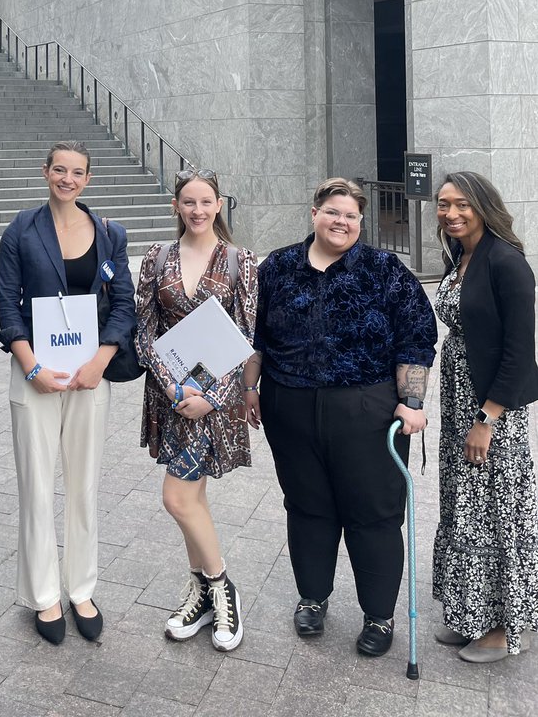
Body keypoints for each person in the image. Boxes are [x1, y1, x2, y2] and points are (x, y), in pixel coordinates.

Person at [244, 177, 437, 657]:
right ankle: (313, 597)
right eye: (333, 211)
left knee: (373, 512)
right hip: (289, 405)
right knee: (308, 506)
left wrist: (411, 404)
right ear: (314, 213)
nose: (342, 222)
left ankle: (379, 614)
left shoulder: (384, 270)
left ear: (360, 222)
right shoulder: (279, 267)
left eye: (351, 215)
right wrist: (250, 387)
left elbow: (416, 337)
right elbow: (256, 334)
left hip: (367, 410)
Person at [0, 140, 136, 644]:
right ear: (46, 171)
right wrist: (30, 366)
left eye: (77, 172)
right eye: (60, 170)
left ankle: (81, 588)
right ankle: (44, 594)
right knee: (36, 485)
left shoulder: (108, 233)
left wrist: (101, 360)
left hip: (88, 375)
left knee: (83, 486)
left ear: (88, 179)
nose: (67, 179)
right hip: (35, 373)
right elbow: (7, 304)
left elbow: (123, 304)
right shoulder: (21, 229)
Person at [135, 168, 256, 652]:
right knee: (193, 500)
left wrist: (207, 394)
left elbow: (246, 335)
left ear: (219, 204)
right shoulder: (156, 258)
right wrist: (172, 389)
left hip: (214, 400)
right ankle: (204, 592)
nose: (198, 210)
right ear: (176, 206)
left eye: (206, 201)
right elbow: (143, 330)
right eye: (189, 202)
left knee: (178, 499)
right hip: (172, 397)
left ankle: (223, 588)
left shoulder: (238, 261)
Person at [432, 171, 538, 662]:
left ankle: (502, 626)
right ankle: (471, 613)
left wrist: (487, 418)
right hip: (459, 403)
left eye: (462, 205)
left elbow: (520, 352)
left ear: (483, 205)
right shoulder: (462, 256)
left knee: (495, 515)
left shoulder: (506, 262)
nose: (451, 214)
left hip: (491, 409)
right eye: (443, 204)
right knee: (464, 508)